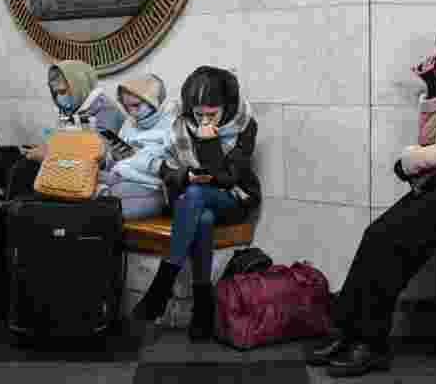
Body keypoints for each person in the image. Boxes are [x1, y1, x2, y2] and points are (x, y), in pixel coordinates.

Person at [307, 18, 436, 378]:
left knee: (393, 244)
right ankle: (346, 331)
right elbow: (430, 141)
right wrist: (433, 89)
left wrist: (410, 161)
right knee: (377, 234)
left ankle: (371, 343)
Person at [132, 66, 261, 342]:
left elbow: (229, 177)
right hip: (192, 200)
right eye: (198, 114)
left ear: (226, 107)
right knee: (201, 216)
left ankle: (161, 287)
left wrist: (209, 142)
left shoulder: (245, 124)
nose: (203, 120)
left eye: (211, 114)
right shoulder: (181, 122)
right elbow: (166, 169)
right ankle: (203, 308)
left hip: (232, 198)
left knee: (196, 196)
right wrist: (185, 175)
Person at [94, 74, 172, 219]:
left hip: (154, 186)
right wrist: (114, 156)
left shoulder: (172, 122)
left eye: (136, 105)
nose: (131, 112)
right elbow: (116, 160)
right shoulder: (130, 122)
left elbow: (169, 165)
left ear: (154, 101)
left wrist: (137, 157)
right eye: (126, 106)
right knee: (88, 179)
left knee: (108, 203)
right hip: (123, 175)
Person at [21, 60, 124, 163]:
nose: (59, 98)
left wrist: (49, 157)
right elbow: (69, 145)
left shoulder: (108, 112)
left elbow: (97, 159)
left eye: (62, 92)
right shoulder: (73, 109)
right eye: (56, 93)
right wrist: (47, 149)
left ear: (78, 87)